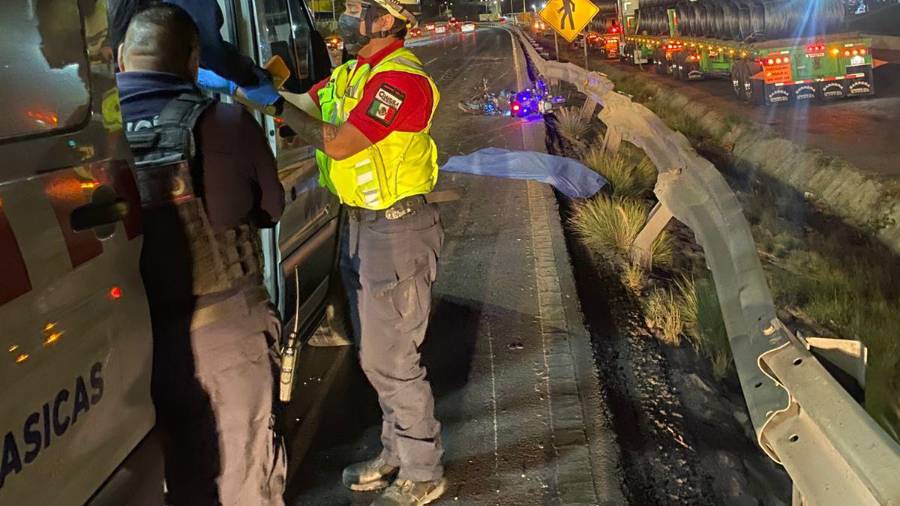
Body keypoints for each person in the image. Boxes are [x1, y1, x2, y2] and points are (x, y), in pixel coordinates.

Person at [271, 0, 450, 503]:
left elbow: (343, 144)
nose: (346, 14)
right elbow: (303, 111)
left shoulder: (400, 81)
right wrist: (261, 89)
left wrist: (278, 106)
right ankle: (397, 450)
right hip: (362, 228)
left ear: (386, 20)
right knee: (376, 356)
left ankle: (424, 469)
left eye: (356, 6)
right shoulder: (350, 75)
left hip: (399, 231)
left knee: (393, 359)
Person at [115, 5, 286, 505]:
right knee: (242, 473)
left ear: (122, 57)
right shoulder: (224, 121)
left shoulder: (97, 137)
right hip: (222, 332)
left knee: (178, 475)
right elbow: (270, 211)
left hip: (135, 341)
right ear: (193, 62)